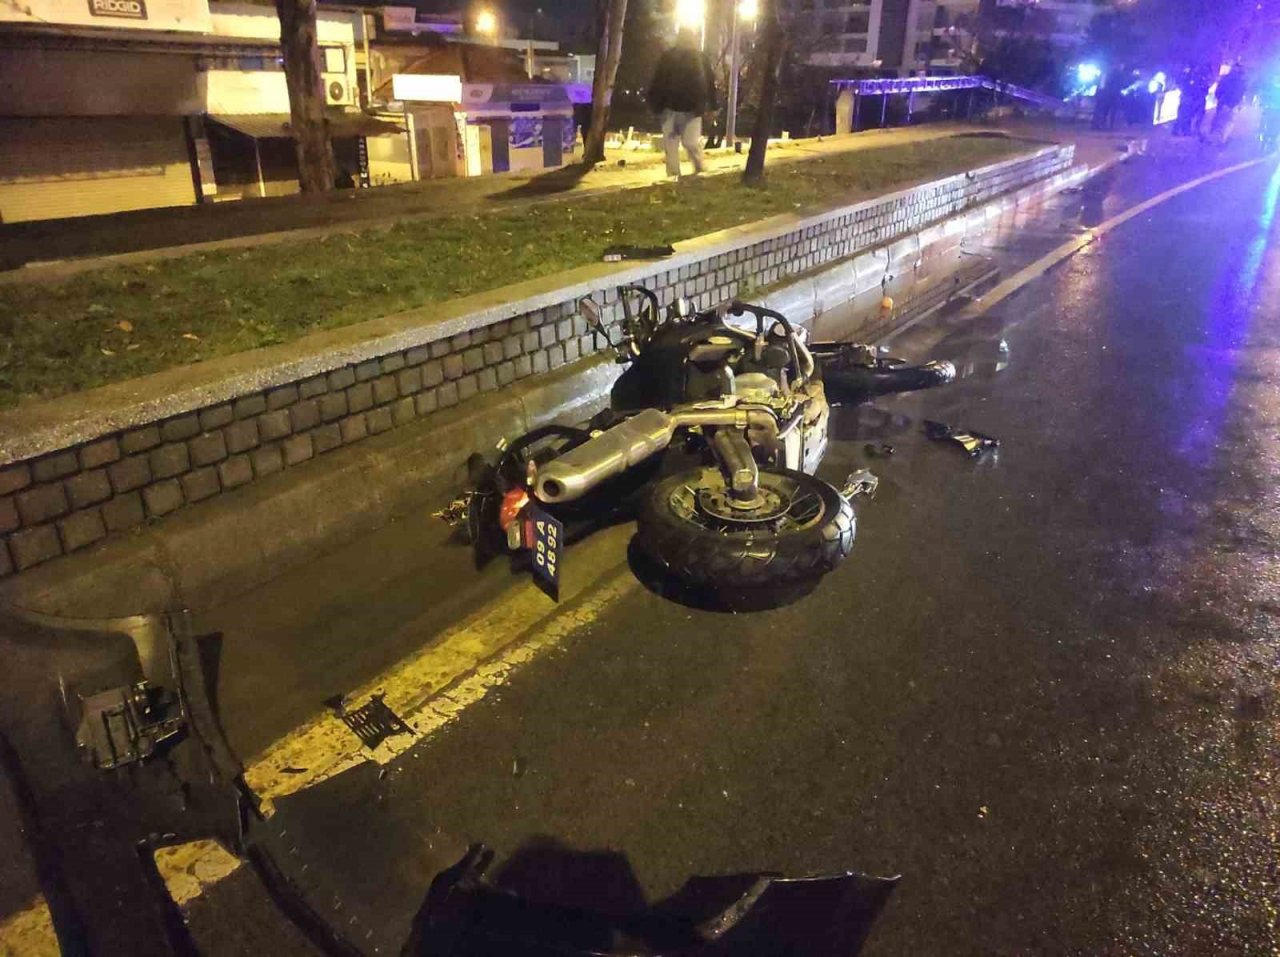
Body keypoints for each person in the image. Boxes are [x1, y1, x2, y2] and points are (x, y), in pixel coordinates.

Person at [648, 28, 718, 178]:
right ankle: (673, 176)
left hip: (691, 110)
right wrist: (655, 105)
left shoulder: (700, 58)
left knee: (690, 142)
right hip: (671, 108)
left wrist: (712, 106)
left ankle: (699, 168)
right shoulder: (668, 57)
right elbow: (658, 81)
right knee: (672, 146)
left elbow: (709, 83)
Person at [1211, 61, 1248, 144]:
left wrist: (1219, 99)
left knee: (1219, 121)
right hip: (1232, 105)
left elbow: (1218, 91)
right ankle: (1222, 139)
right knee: (1228, 122)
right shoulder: (1242, 81)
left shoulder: (1225, 78)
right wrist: (1239, 104)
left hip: (1223, 103)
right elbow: (1241, 93)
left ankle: (1214, 137)